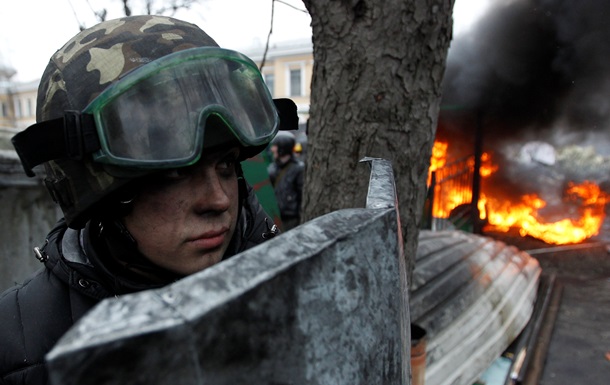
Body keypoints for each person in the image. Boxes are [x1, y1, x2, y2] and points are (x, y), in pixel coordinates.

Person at [0, 15, 297, 385]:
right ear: (104, 196)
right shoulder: (18, 347)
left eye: (225, 164)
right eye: (175, 172)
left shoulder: (296, 285)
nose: (219, 200)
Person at [267, 131, 304, 231]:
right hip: (274, 217)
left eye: (275, 146)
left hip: (290, 220)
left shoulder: (298, 169)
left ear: (282, 148)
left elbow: (302, 196)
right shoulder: (272, 168)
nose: (272, 149)